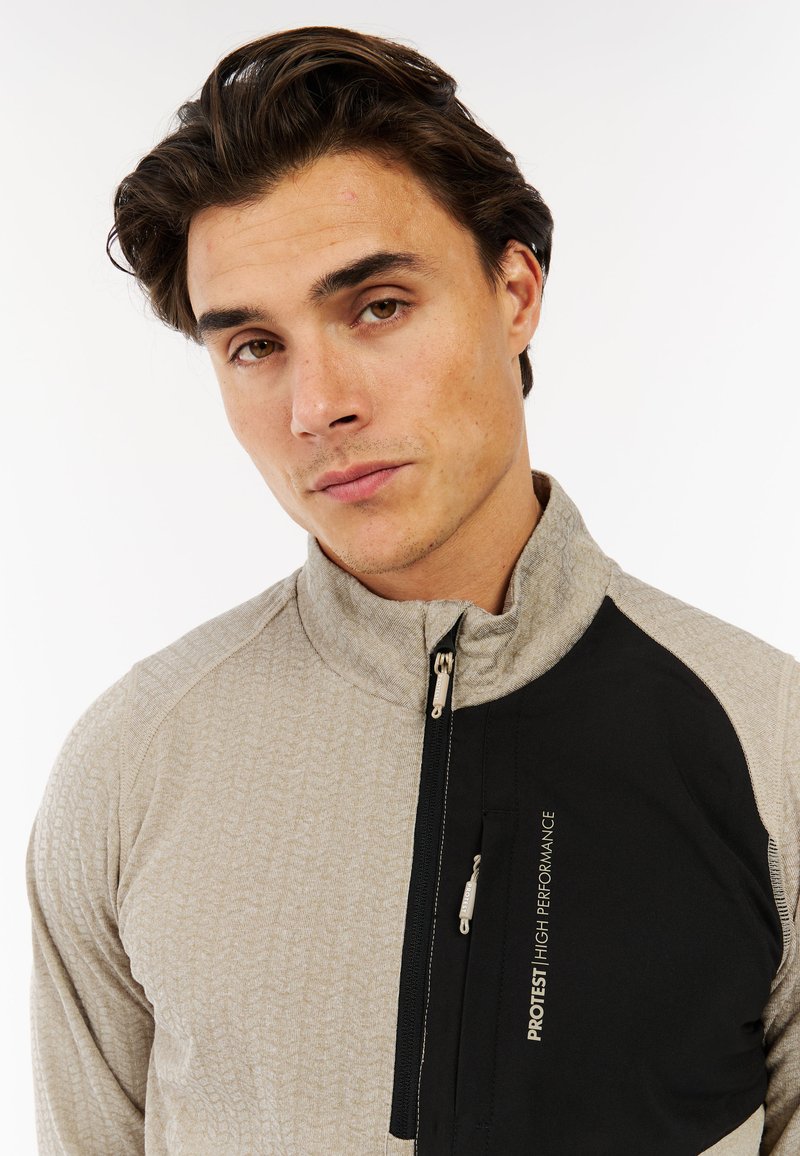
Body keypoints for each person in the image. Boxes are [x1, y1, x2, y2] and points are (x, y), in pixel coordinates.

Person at [26, 25, 798, 1156]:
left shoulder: (769, 741)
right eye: (253, 345)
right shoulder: (134, 765)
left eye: (377, 306)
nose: (317, 407)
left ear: (515, 291)